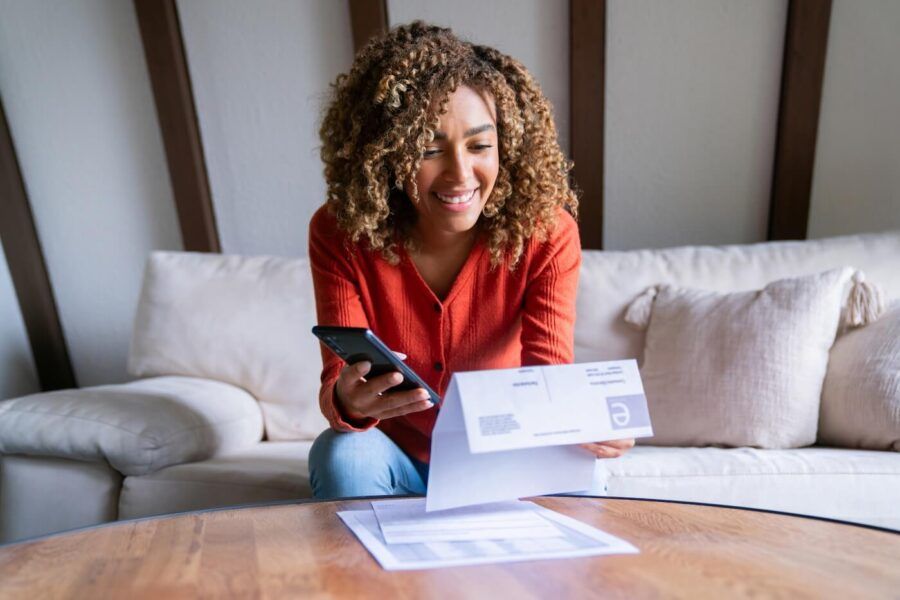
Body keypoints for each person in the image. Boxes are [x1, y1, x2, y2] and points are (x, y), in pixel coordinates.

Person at [308, 21, 633, 499]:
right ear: (383, 154)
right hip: (392, 460)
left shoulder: (547, 233)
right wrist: (349, 401)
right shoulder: (339, 232)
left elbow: (548, 371)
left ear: (508, 146)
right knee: (341, 454)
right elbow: (338, 387)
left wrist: (580, 422)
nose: (461, 175)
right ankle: (369, 576)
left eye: (481, 146)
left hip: (501, 458)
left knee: (586, 471)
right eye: (428, 150)